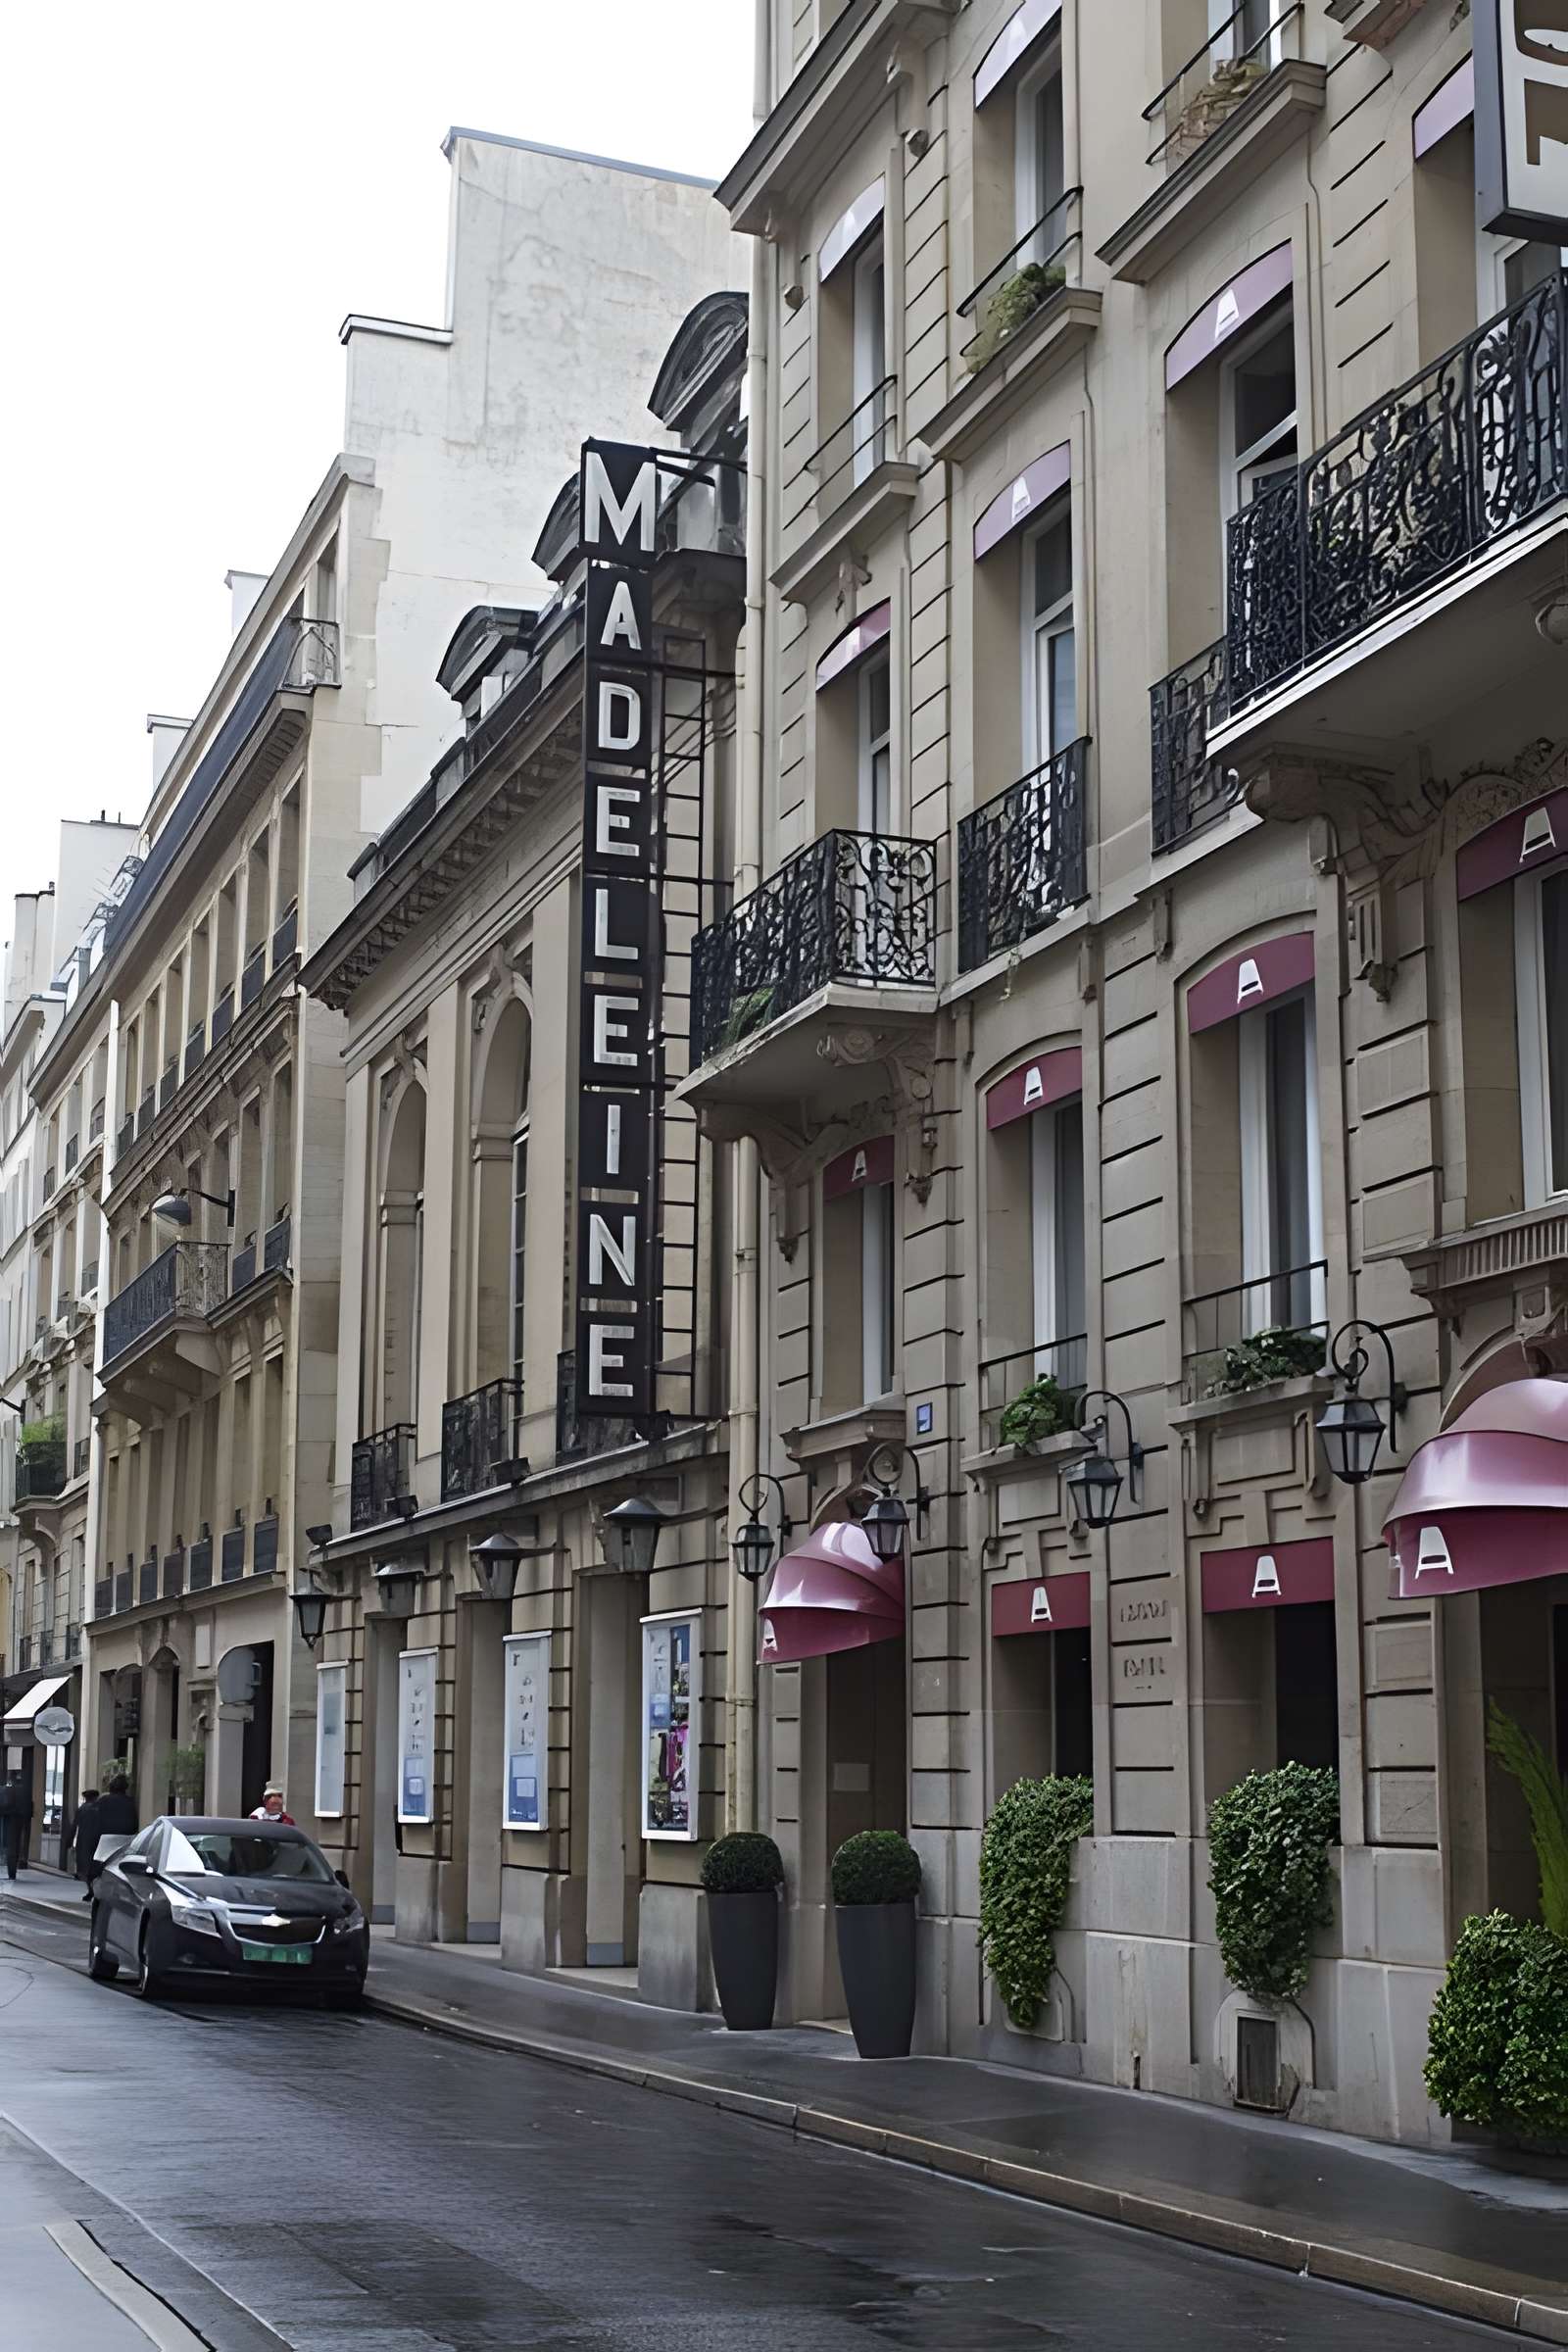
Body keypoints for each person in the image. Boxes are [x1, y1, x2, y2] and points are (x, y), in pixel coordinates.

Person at [1, 1770, 34, 1881]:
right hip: (21, 1820)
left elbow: (4, 1805)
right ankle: (16, 1867)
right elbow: (30, 1807)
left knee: (11, 1846)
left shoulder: (7, 1790)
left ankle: (12, 1873)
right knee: (16, 1845)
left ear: (10, 1778)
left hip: (9, 1819)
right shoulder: (25, 1791)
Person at [74, 1788, 103, 1901]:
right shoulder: (100, 1808)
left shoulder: (82, 1809)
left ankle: (91, 1891)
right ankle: (93, 1891)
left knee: (87, 1868)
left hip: (84, 1842)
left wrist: (69, 1839)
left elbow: (74, 1825)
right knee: (95, 1867)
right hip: (98, 1841)